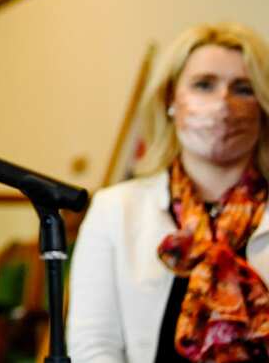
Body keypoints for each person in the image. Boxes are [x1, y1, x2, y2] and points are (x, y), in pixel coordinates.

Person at [69, 22, 269, 362]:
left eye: (243, 88)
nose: (223, 102)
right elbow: (94, 346)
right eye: (204, 85)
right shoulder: (115, 210)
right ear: (170, 100)